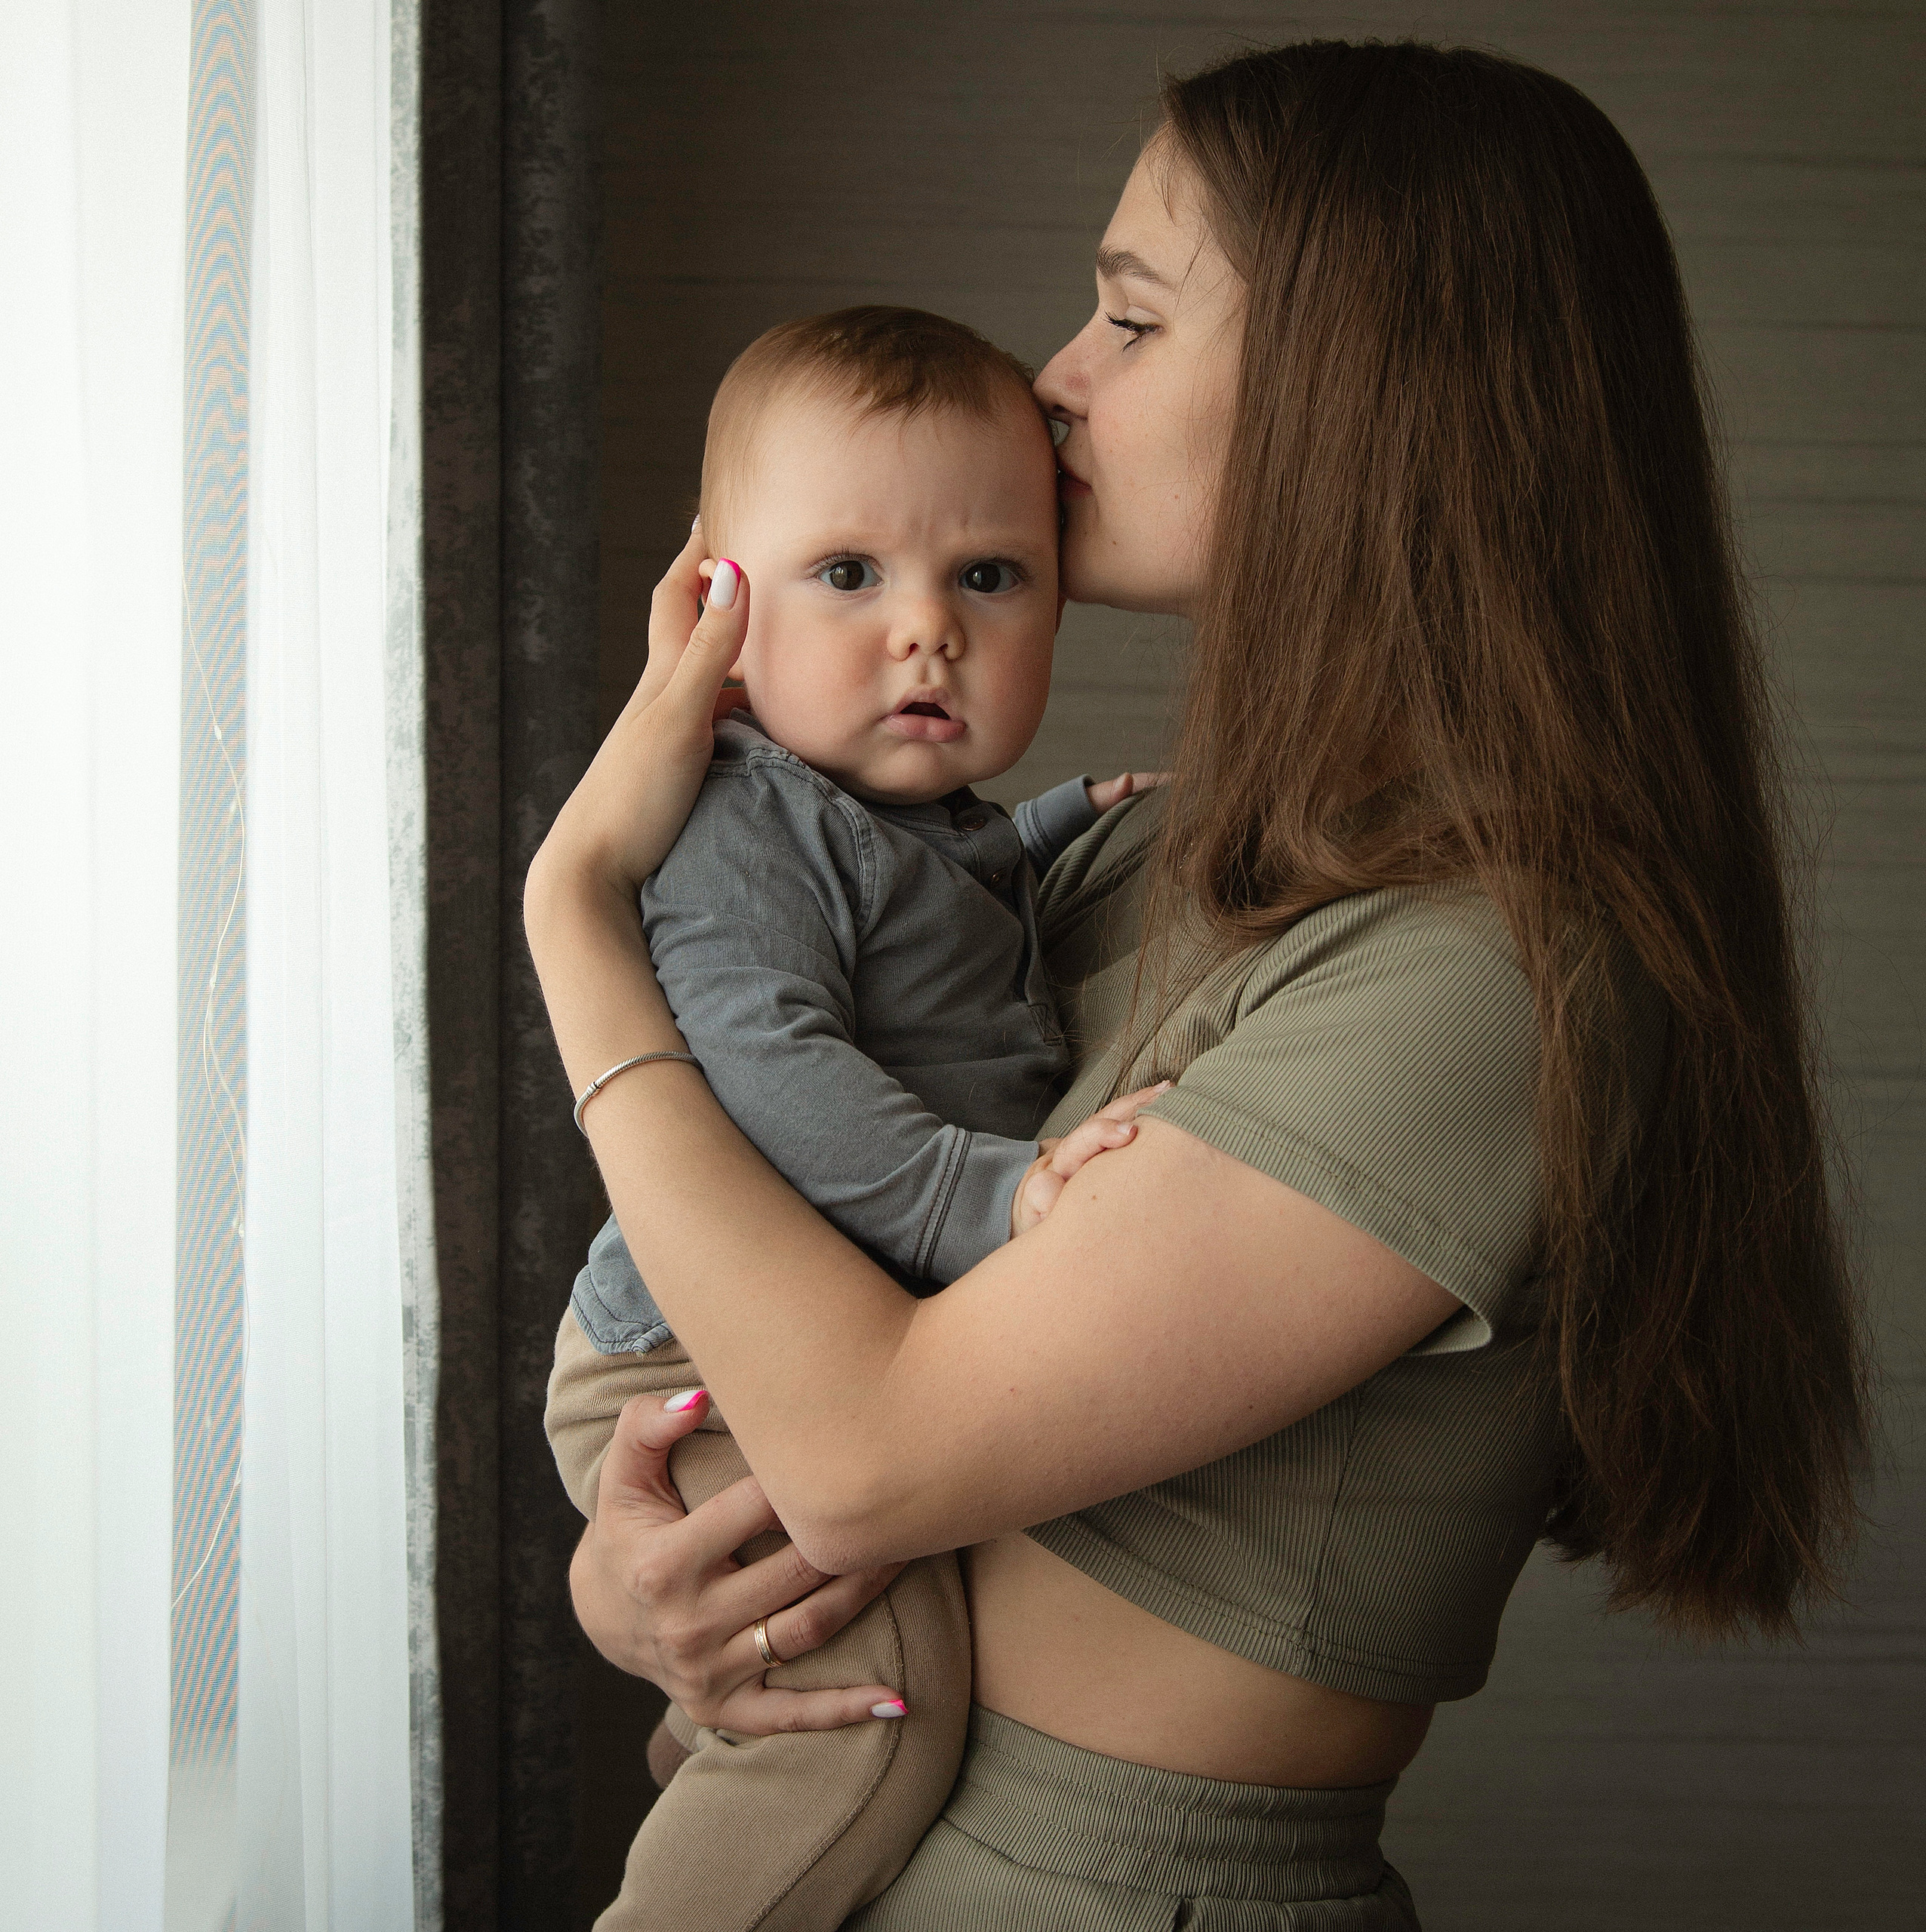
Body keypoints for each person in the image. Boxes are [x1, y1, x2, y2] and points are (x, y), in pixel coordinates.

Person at [528, 39, 1869, 1930]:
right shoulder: (1142, 849)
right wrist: (637, 1575)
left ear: (1359, 398)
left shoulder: (1488, 976)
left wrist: (576, 915)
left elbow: (867, 1454)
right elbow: (802, 1352)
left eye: (1129, 320)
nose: (1052, 378)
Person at [543, 303, 1163, 1932]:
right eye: (846, 574)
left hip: (789, 1339)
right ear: (713, 612)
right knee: (861, 1733)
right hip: (691, 1356)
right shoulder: (742, 810)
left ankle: (705, 1762)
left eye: (986, 575)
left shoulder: (902, 816)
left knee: (775, 1700)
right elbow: (768, 1068)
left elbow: (930, 911)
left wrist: (1045, 826)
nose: (925, 632)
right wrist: (993, 1196)